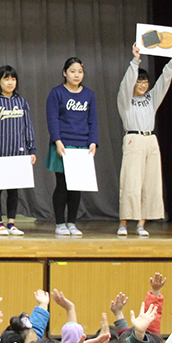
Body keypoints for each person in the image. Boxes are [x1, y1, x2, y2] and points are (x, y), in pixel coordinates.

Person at [116, 44, 172, 236]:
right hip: (133, 140)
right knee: (131, 182)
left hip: (150, 140)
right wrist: (135, 60)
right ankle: (123, 223)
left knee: (149, 182)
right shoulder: (125, 100)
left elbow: (163, 83)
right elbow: (126, 84)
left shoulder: (151, 99)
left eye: (145, 81)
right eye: (140, 81)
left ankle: (141, 224)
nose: (143, 85)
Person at [0, 65, 36, 236]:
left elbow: (28, 127)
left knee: (14, 190)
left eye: (13, 79)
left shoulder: (22, 103)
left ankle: (11, 223)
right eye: (6, 79)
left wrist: (31, 148)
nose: (10, 82)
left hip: (17, 153)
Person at [45, 58, 97, 237]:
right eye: (73, 71)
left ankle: (72, 223)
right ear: (64, 72)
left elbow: (93, 121)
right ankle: (60, 223)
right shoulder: (56, 93)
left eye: (80, 71)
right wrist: (57, 141)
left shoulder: (89, 95)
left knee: (76, 187)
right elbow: (52, 119)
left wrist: (92, 142)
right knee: (62, 185)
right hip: (63, 145)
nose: (76, 75)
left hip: (82, 146)